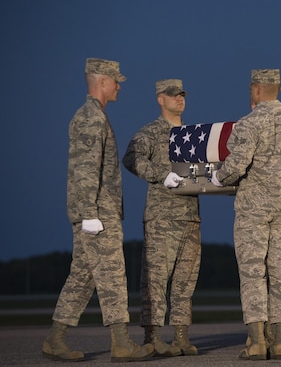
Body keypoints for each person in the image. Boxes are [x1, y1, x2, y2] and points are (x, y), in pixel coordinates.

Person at [42, 58, 155, 363]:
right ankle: (121, 342)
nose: (119, 86)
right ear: (102, 81)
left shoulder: (94, 116)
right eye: (115, 80)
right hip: (97, 214)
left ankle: (55, 338)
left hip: (96, 211)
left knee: (82, 276)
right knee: (112, 274)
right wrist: (90, 213)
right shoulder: (91, 117)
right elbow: (86, 170)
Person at [211, 69, 281, 360]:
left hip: (253, 207)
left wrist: (219, 178)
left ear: (256, 90)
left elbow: (237, 164)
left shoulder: (247, 124)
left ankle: (257, 343)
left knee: (252, 272)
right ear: (278, 89)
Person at [122, 79, 201, 357]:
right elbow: (131, 159)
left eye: (181, 95)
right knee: (155, 280)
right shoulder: (150, 132)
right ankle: (152, 336)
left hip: (190, 217)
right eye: (172, 95)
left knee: (185, 280)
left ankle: (181, 336)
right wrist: (159, 174)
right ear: (159, 98)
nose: (179, 99)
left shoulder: (192, 135)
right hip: (161, 218)